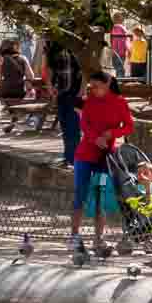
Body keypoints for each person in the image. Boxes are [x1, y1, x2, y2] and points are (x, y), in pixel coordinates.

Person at [69, 71, 135, 252]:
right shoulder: (89, 100)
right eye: (91, 86)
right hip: (85, 154)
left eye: (96, 86)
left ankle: (98, 238)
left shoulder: (120, 102)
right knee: (80, 194)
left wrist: (111, 134)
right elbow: (84, 124)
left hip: (105, 156)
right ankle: (74, 235)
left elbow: (128, 125)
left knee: (100, 196)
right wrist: (94, 138)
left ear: (107, 85)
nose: (93, 89)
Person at [46, 40, 83, 165]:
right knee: (65, 126)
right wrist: (50, 87)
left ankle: (75, 158)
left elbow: (85, 71)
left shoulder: (79, 46)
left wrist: (81, 92)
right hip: (61, 93)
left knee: (74, 127)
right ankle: (69, 157)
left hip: (75, 93)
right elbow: (50, 68)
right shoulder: (54, 47)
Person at [0, 40, 32, 106]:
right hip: (20, 92)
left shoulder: (1, 59)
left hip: (6, 91)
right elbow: (31, 76)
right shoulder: (23, 58)